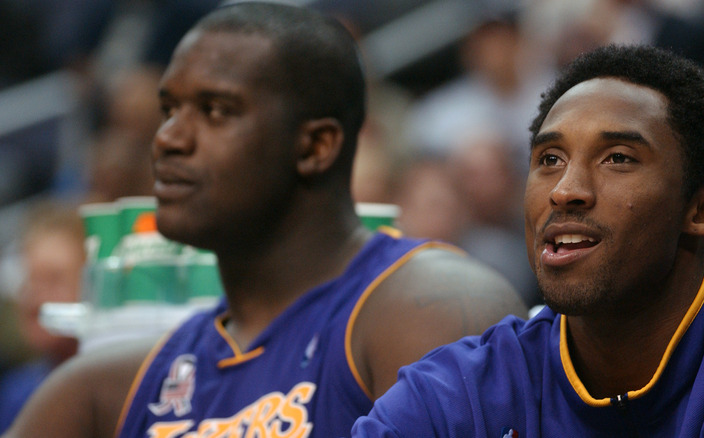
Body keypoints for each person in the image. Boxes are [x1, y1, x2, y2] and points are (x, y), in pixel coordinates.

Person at [2, 2, 525, 438]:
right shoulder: (102, 389)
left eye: (215, 111)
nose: (169, 139)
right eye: (170, 109)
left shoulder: (435, 309)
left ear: (316, 146)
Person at [351, 44, 704, 437]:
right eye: (550, 159)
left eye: (618, 158)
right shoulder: (462, 387)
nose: (564, 190)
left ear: (703, 210)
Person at [0, 201, 85, 433]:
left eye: (54, 280)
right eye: (29, 278)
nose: (35, 298)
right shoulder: (17, 391)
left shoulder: (113, 387)